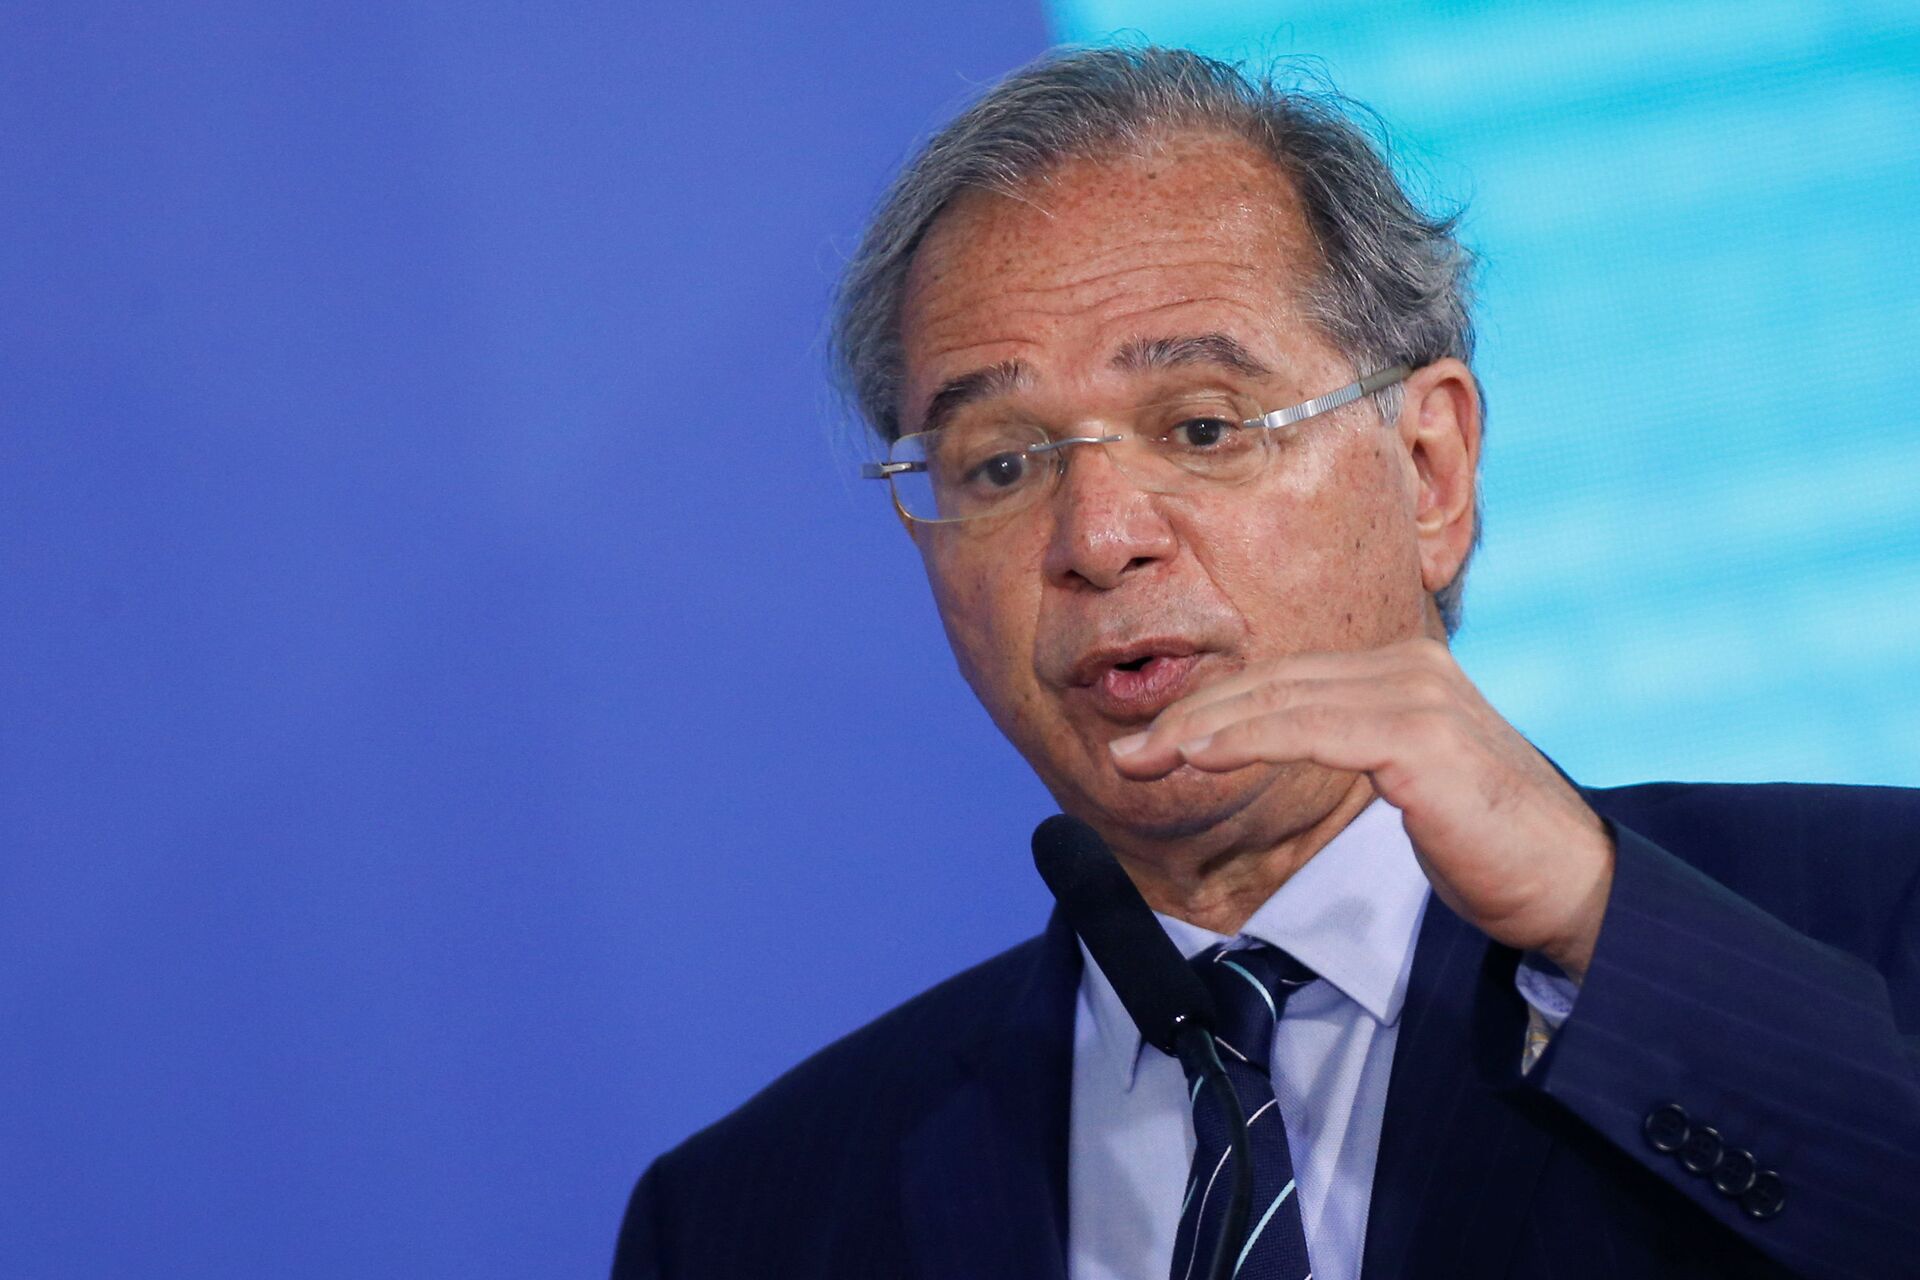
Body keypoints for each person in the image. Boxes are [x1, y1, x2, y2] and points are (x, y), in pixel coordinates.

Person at [611, 46, 1918, 1280]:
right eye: (1000, 464)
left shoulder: (1877, 920)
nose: (1099, 537)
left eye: (1200, 426)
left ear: (1429, 470)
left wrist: (1601, 926)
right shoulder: (750, 1216)